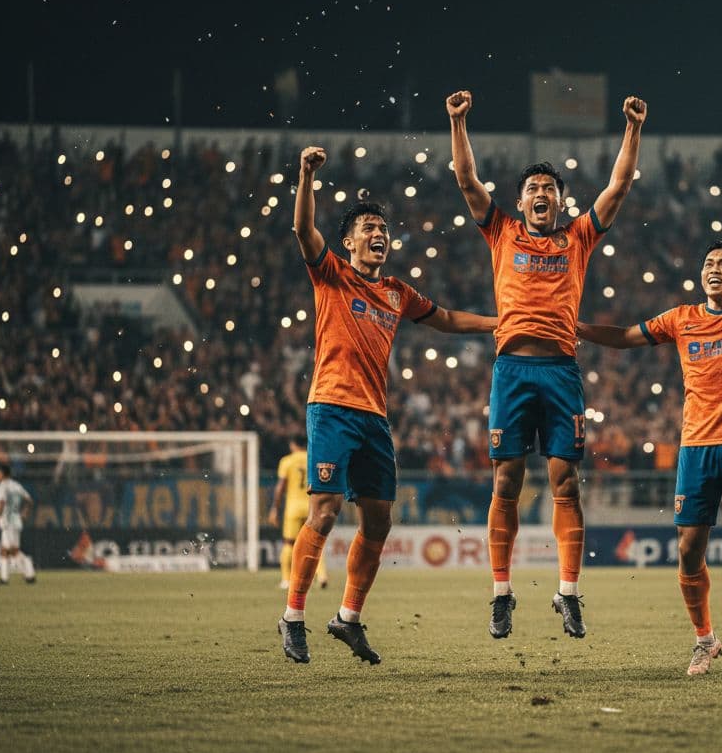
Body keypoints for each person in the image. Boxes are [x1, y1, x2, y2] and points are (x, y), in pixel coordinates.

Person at [277, 146, 497, 666]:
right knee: (326, 512)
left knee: (378, 523)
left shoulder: (397, 292)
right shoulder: (331, 273)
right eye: (368, 227)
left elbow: (443, 319)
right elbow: (302, 231)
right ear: (349, 241)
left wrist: (497, 323)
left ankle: (348, 618)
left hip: (374, 418)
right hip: (331, 407)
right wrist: (306, 176)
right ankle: (292, 616)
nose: (379, 234)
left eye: (383, 228)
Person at [577, 200, 722, 676]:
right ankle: (705, 640)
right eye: (708, 263)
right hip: (695, 447)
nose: (713, 269)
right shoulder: (681, 318)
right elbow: (624, 336)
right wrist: (576, 327)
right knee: (687, 550)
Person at [446, 89, 647, 639]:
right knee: (506, 482)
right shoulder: (501, 231)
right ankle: (501, 593)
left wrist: (631, 129)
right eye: (532, 188)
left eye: (549, 189)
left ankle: (568, 593)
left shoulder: (578, 237)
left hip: (560, 372)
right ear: (522, 200)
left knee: (566, 485)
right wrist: (458, 122)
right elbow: (467, 181)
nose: (540, 193)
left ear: (561, 201)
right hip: (511, 371)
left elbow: (620, 186)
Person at [268, 433, 327, 591]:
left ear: (293, 445)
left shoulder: (287, 461)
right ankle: (321, 576)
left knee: (289, 543)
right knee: (315, 543)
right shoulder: (313, 459)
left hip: (293, 508)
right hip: (311, 506)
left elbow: (280, 487)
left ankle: (286, 579)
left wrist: (274, 508)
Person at [0, 464, 36, 585]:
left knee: (13, 551)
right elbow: (29, 500)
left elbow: (1, 502)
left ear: (2, 474)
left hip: (7, 522)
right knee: (5, 550)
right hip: (16, 521)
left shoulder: (2, 487)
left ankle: (29, 573)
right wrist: (25, 513)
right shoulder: (16, 485)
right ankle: (4, 578)